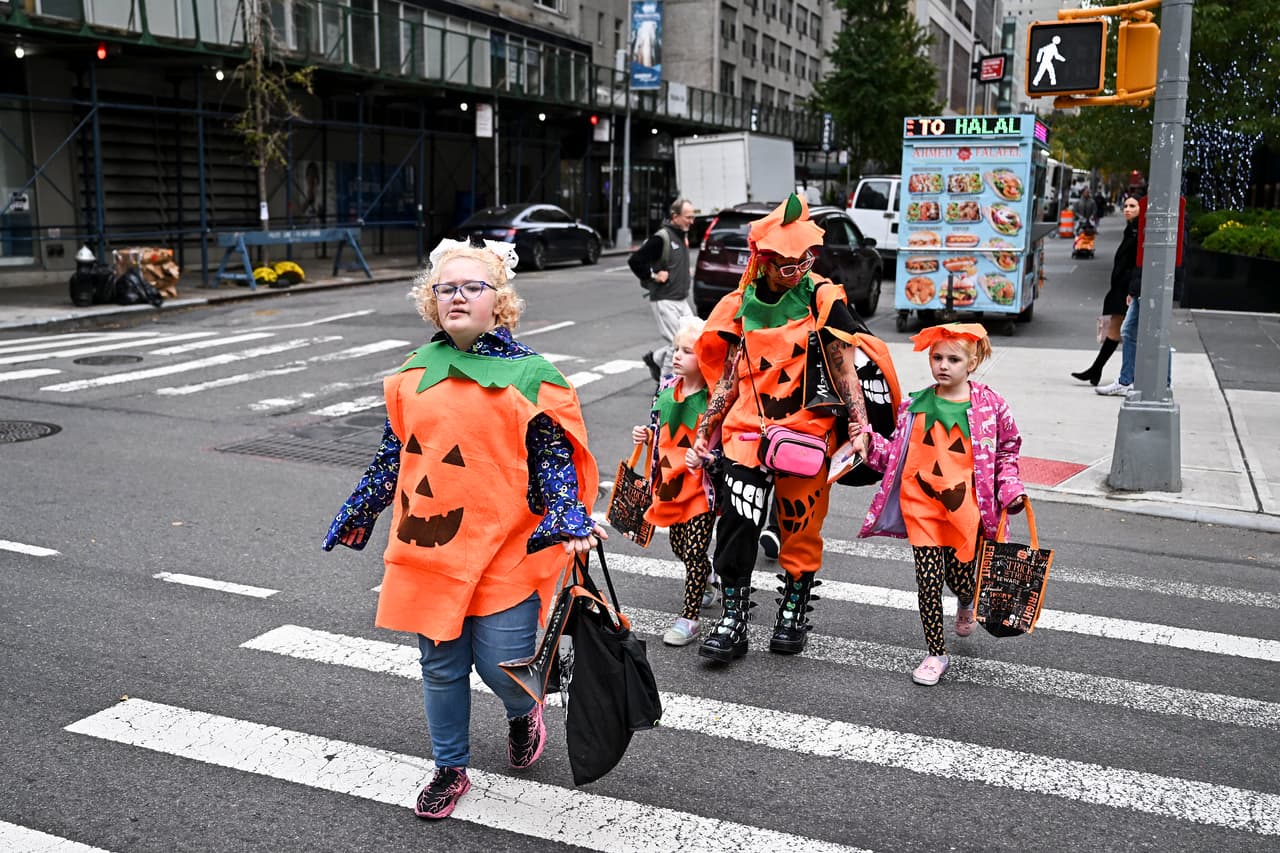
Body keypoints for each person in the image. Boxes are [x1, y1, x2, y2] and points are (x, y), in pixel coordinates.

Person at [322, 237, 606, 820]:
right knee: (441, 665)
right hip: (429, 543)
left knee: (503, 667)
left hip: (506, 547)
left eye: (471, 286)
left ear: (498, 301)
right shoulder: (411, 375)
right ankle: (450, 769)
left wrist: (567, 513)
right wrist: (361, 507)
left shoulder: (531, 376)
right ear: (431, 301)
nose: (456, 296)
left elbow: (554, 461)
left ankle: (525, 710)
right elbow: (394, 455)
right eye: (445, 288)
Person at [691, 193, 887, 662]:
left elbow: (844, 368)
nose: (793, 268)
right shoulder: (739, 305)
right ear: (762, 258)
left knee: (801, 527)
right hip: (746, 433)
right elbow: (726, 378)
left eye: (801, 260)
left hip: (807, 434)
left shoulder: (822, 298)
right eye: (783, 261)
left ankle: (793, 611)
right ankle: (733, 618)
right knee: (737, 522)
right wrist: (705, 428)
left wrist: (860, 425)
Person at [858, 324, 1026, 687]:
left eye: (954, 359)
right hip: (921, 509)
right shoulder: (914, 405)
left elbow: (1007, 452)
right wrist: (868, 444)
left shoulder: (991, 407)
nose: (943, 365)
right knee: (928, 583)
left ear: (973, 362)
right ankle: (936, 653)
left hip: (967, 512)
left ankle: (966, 600)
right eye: (937, 357)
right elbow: (893, 454)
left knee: (962, 579)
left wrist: (1009, 488)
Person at [630, 316, 718, 646]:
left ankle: (689, 619)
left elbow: (724, 443)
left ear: (706, 356)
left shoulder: (714, 398)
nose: (677, 356)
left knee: (694, 552)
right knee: (680, 548)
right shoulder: (667, 388)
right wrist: (646, 433)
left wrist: (708, 459)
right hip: (669, 484)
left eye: (688, 351)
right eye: (675, 349)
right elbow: (660, 426)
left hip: (700, 488)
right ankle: (707, 580)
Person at [1096, 193, 1186, 397]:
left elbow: (1153, 259)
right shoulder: (1142, 227)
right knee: (1132, 331)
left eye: (1132, 206)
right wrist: (1134, 291)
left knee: (1149, 332)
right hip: (1144, 287)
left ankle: (1151, 383)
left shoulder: (1162, 222)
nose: (1127, 209)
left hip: (1153, 286)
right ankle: (1130, 380)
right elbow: (1141, 260)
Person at [1071, 194, 1140, 385]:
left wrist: (1132, 289)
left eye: (1132, 206)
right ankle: (1095, 370)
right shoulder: (1131, 229)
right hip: (1122, 286)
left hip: (1128, 287)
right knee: (1115, 328)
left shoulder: (1139, 231)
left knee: (1126, 331)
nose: (1127, 209)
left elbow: (1137, 264)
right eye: (1125, 205)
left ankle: (1113, 374)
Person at [628, 198, 697, 381]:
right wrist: (653, 276)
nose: (692, 221)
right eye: (688, 217)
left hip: (680, 299)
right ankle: (667, 388)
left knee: (693, 338)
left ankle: (655, 359)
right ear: (675, 217)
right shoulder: (662, 238)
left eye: (692, 217)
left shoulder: (682, 234)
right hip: (664, 299)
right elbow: (635, 261)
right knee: (679, 344)